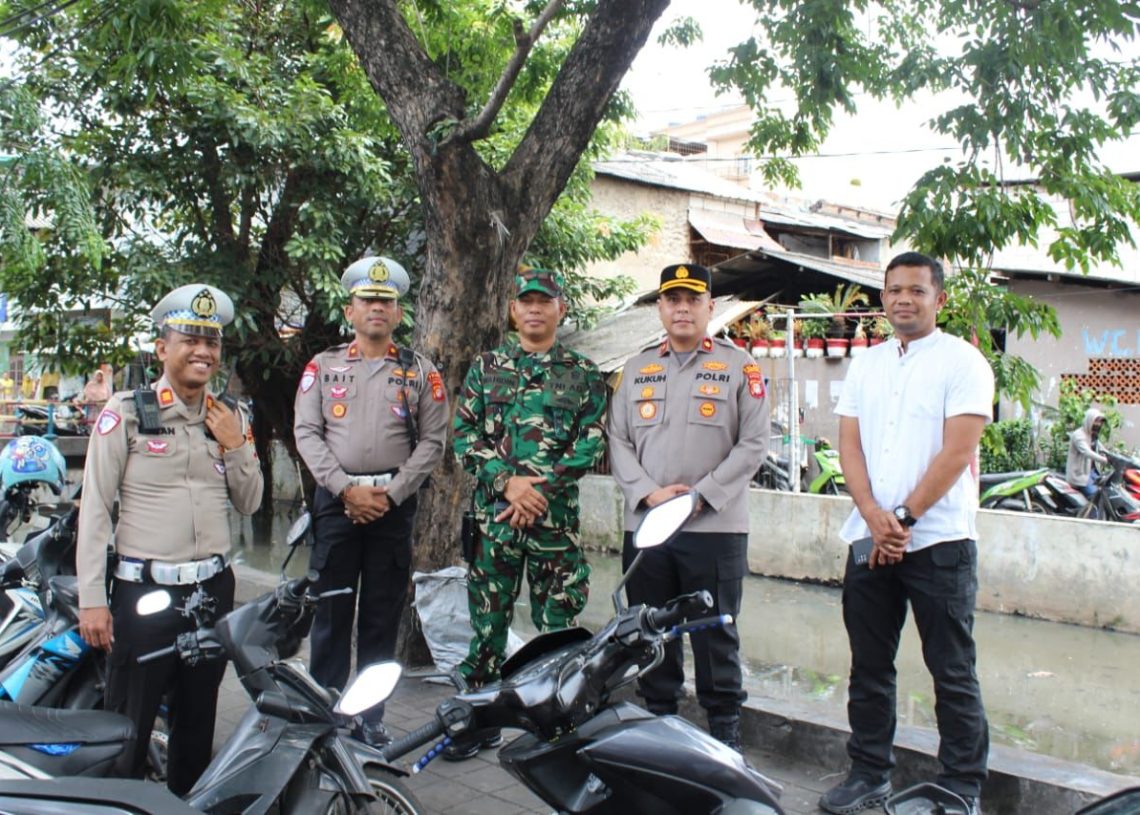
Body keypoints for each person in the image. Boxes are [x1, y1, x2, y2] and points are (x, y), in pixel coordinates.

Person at [821, 251, 994, 815]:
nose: (903, 300)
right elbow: (849, 442)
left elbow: (958, 450)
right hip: (870, 537)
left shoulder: (963, 363)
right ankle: (869, 773)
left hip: (939, 543)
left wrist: (907, 519)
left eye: (916, 291)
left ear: (939, 299)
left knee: (951, 669)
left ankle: (960, 786)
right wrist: (871, 511)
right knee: (869, 665)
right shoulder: (867, 364)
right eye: (893, 290)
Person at [77, 284, 263, 794]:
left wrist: (238, 445)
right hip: (144, 596)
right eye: (191, 339)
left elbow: (250, 502)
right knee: (129, 726)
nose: (204, 351)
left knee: (198, 722)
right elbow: (94, 508)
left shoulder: (230, 417)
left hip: (212, 593)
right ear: (163, 348)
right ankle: (117, 803)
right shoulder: (128, 412)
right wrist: (93, 599)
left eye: (213, 342)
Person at [607, 263, 769, 751]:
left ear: (709, 307)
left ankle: (725, 732)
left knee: (715, 633)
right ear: (660, 307)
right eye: (672, 299)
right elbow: (616, 440)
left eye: (691, 299)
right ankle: (658, 727)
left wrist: (701, 496)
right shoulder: (634, 370)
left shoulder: (740, 366)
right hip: (649, 526)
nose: (681, 308)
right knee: (650, 630)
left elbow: (754, 443)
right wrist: (650, 494)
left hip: (715, 528)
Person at [449, 266, 607, 759]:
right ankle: (479, 720)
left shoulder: (582, 374)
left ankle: (560, 725)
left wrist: (540, 490)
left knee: (559, 624)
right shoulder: (486, 367)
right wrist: (509, 484)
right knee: (486, 625)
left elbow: (593, 440)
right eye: (526, 301)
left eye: (545, 300)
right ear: (513, 310)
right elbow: (464, 438)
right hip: (494, 519)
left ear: (560, 308)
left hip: (553, 524)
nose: (535, 309)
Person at [293, 255, 448, 746]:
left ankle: (371, 716)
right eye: (368, 300)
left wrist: (393, 493)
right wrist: (345, 488)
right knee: (332, 613)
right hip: (336, 505)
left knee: (381, 618)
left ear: (399, 314)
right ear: (350, 310)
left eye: (386, 301)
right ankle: (328, 710)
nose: (377, 308)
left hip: (391, 509)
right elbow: (307, 432)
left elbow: (433, 442)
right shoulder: (323, 366)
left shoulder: (421, 372)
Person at [1066, 407, 1108, 499]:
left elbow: (1102, 449)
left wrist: (1114, 457)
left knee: (1107, 491)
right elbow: (1086, 452)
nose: (1098, 424)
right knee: (1095, 497)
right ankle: (1090, 513)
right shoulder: (1078, 435)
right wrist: (1103, 459)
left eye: (1100, 422)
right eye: (1096, 421)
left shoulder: (1092, 435)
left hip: (1092, 472)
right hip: (1080, 476)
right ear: (1089, 420)